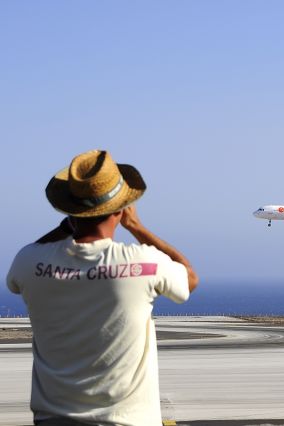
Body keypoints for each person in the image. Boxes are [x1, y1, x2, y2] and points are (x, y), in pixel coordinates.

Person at [6, 150, 199, 426]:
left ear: (70, 213)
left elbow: (28, 259)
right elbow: (189, 278)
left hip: (52, 419)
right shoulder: (142, 263)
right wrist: (136, 227)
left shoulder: (29, 263)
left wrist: (67, 227)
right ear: (120, 211)